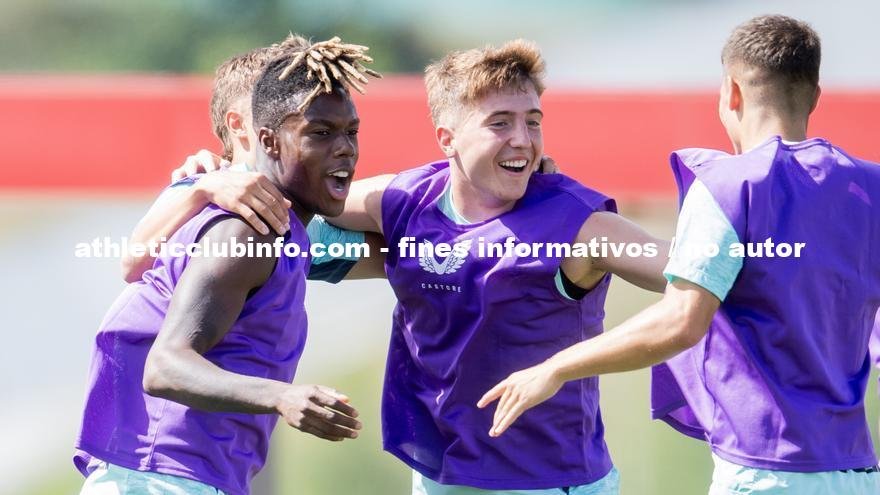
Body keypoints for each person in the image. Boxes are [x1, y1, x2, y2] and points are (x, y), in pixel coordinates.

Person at [479, 15, 880, 494]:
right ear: (815, 95)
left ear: (731, 92)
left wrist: (554, 367)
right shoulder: (870, 187)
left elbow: (680, 321)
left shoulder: (729, 185)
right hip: (859, 473)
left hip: (767, 472)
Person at [328, 40, 668, 494]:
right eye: (499, 123)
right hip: (439, 479)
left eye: (532, 122)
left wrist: (764, 238)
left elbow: (691, 271)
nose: (523, 141)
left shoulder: (577, 223)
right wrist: (218, 178)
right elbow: (304, 203)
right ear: (446, 139)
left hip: (547, 483)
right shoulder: (404, 200)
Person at [73, 37, 379, 495]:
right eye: (320, 131)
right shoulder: (244, 228)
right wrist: (283, 395)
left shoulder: (294, 235)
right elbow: (165, 363)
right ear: (260, 136)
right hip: (161, 478)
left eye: (351, 132)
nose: (345, 149)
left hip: (183, 476)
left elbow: (398, 251)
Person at [122, 34, 385, 286]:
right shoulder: (196, 184)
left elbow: (400, 255)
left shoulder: (302, 221)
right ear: (237, 124)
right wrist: (202, 192)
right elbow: (132, 264)